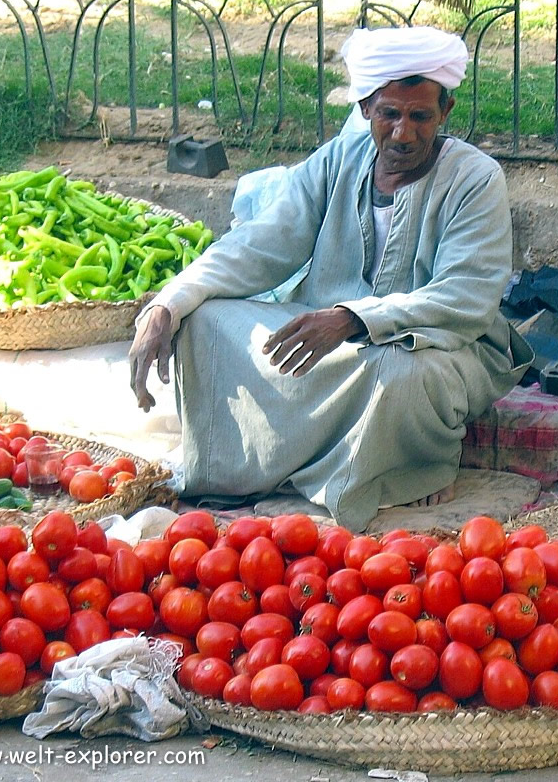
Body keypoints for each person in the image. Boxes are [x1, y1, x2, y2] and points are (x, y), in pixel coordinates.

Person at [128, 26, 532, 530]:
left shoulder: (476, 178)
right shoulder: (337, 160)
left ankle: (408, 471)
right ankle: (254, 470)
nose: (403, 133)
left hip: (437, 346)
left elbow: (465, 298)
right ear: (365, 109)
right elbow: (260, 243)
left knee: (402, 377)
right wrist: (170, 302)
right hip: (330, 342)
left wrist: (352, 318)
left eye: (420, 116)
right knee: (205, 321)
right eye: (389, 114)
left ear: (445, 113)